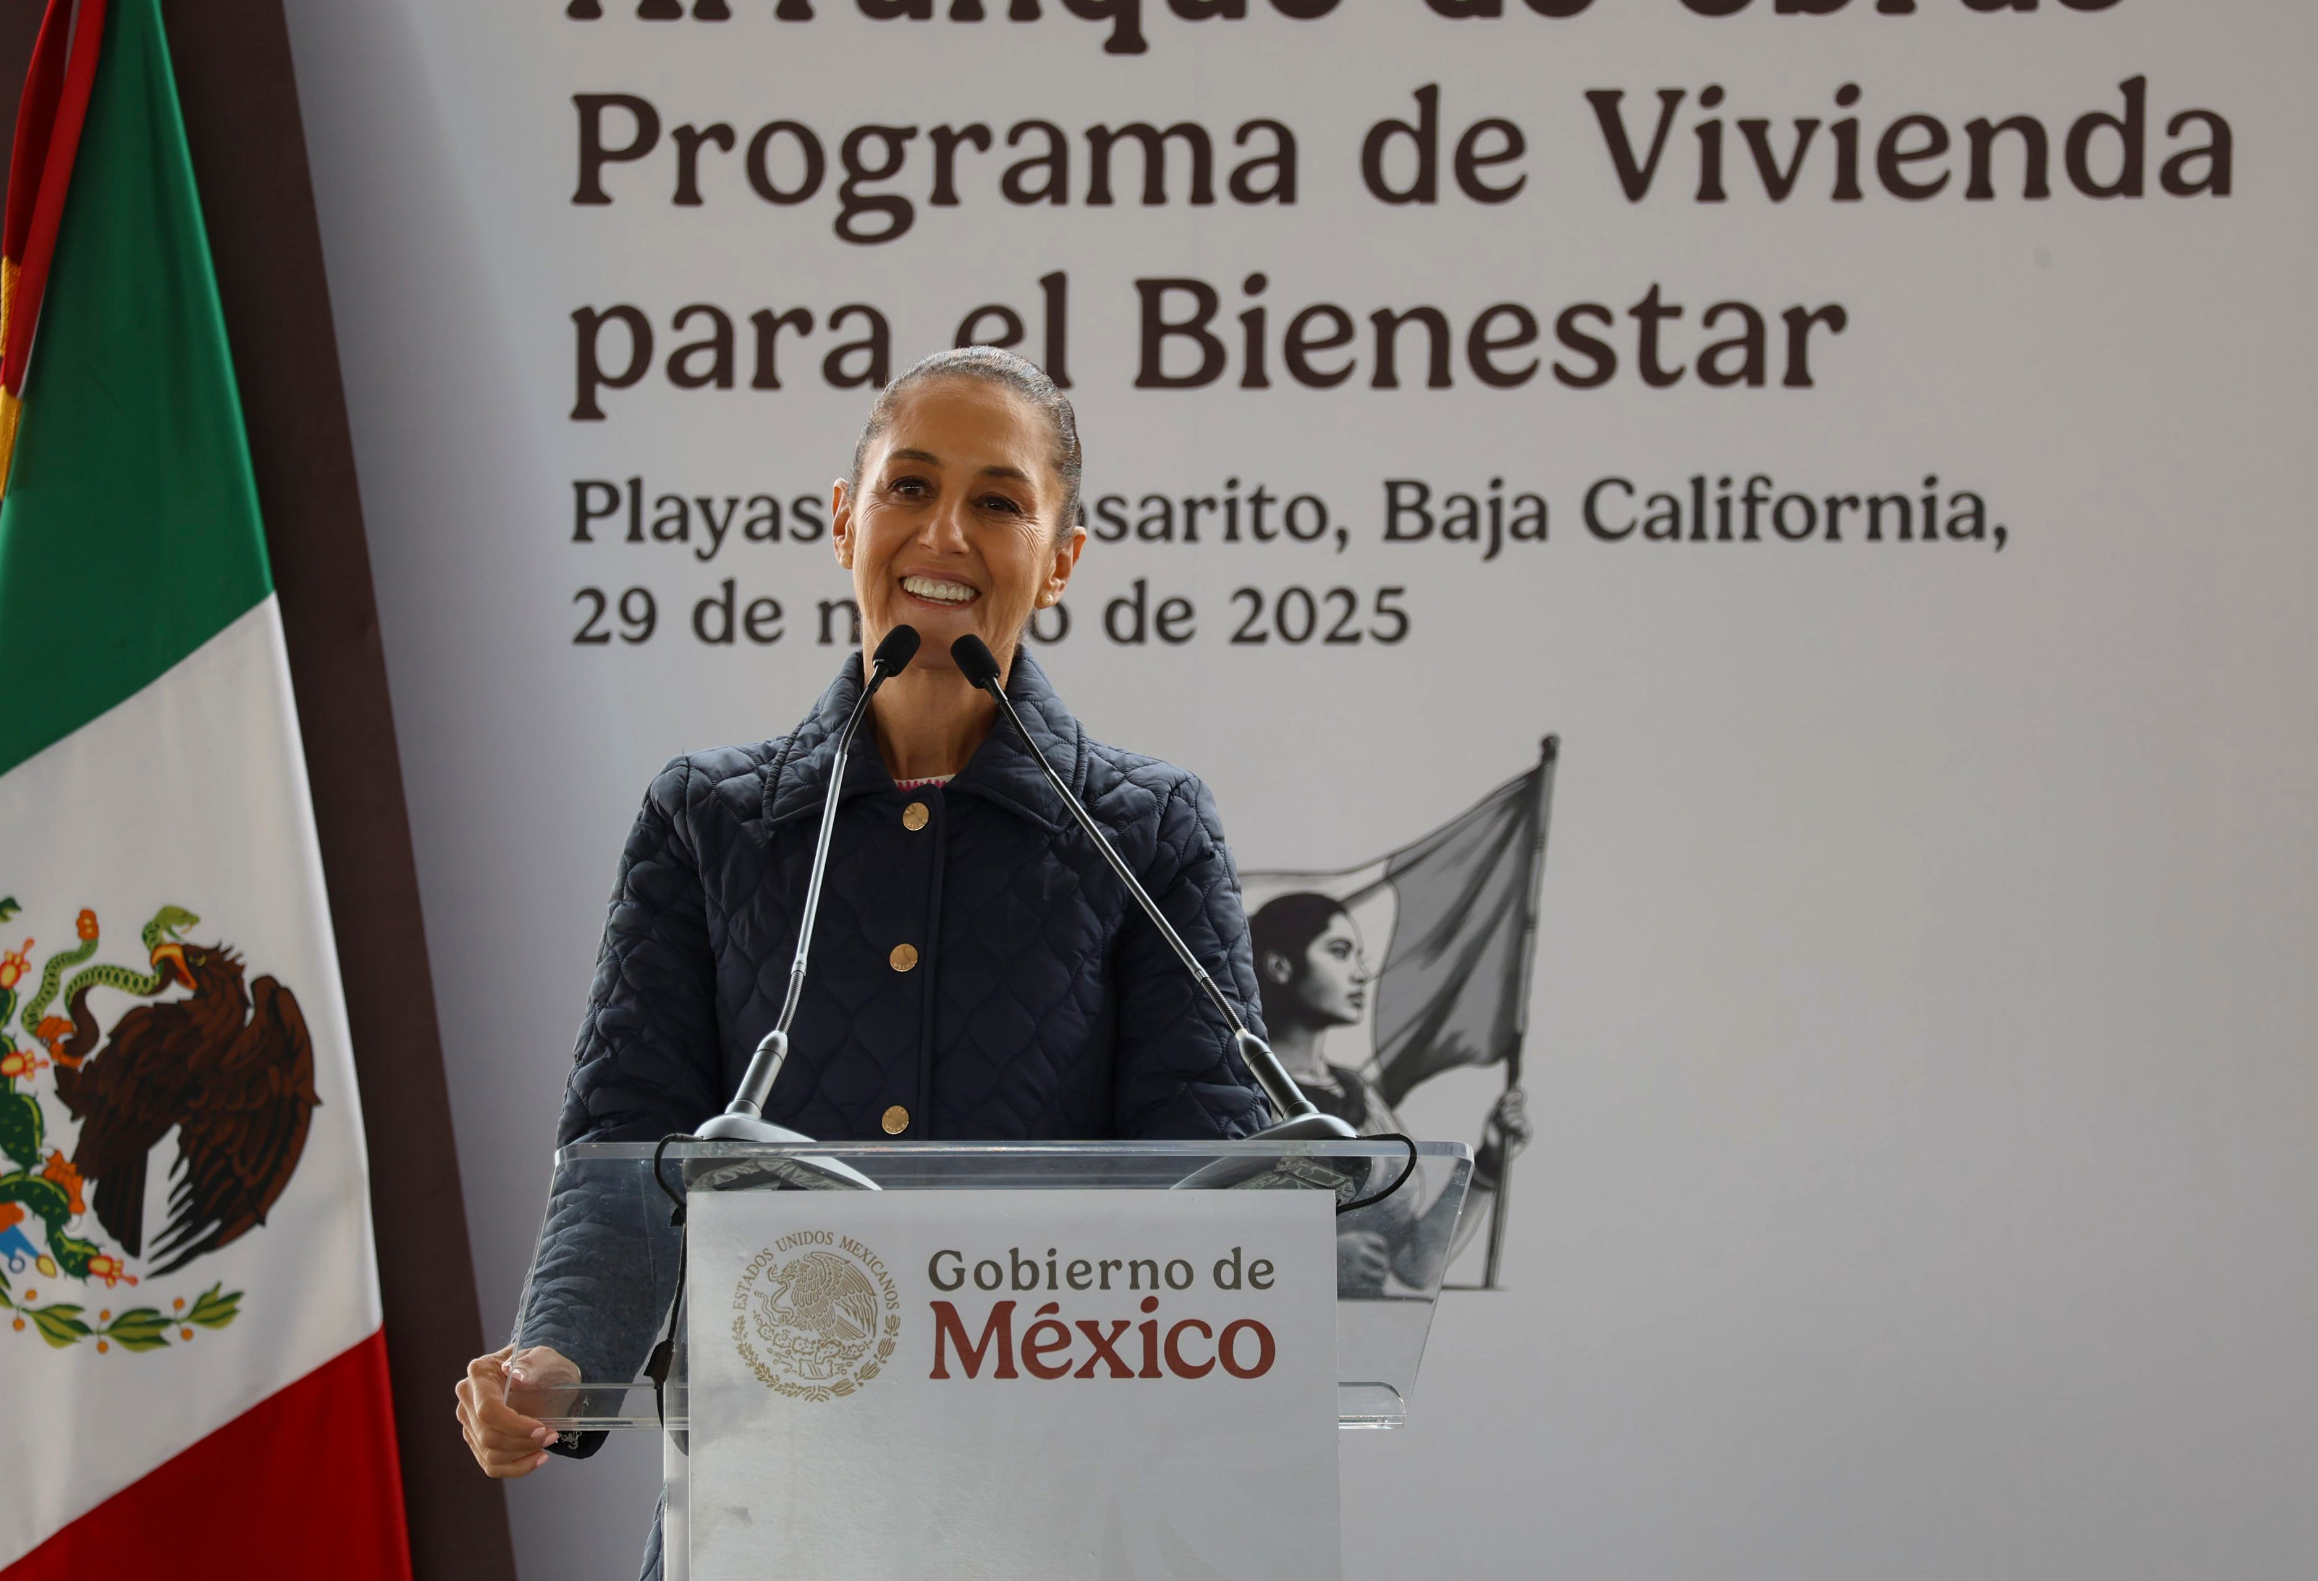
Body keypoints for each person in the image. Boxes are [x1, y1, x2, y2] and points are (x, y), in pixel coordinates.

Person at [456, 349, 1273, 1537]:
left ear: (1061, 559)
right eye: (908, 487)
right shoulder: (708, 819)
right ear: (846, 520)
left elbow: (1208, 1183)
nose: (943, 531)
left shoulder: (1147, 832)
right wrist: (556, 1366)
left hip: (1054, 1509)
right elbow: (626, 1137)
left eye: (998, 501)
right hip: (766, 1501)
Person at [1247, 890, 1530, 1293]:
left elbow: (1416, 1265)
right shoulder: (1238, 1094)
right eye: (1340, 952)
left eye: (1358, 955)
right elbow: (1205, 1242)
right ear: (1279, 966)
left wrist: (1487, 1163)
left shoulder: (1360, 1094)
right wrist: (1317, 1262)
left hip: (1368, 1338)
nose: (1361, 973)